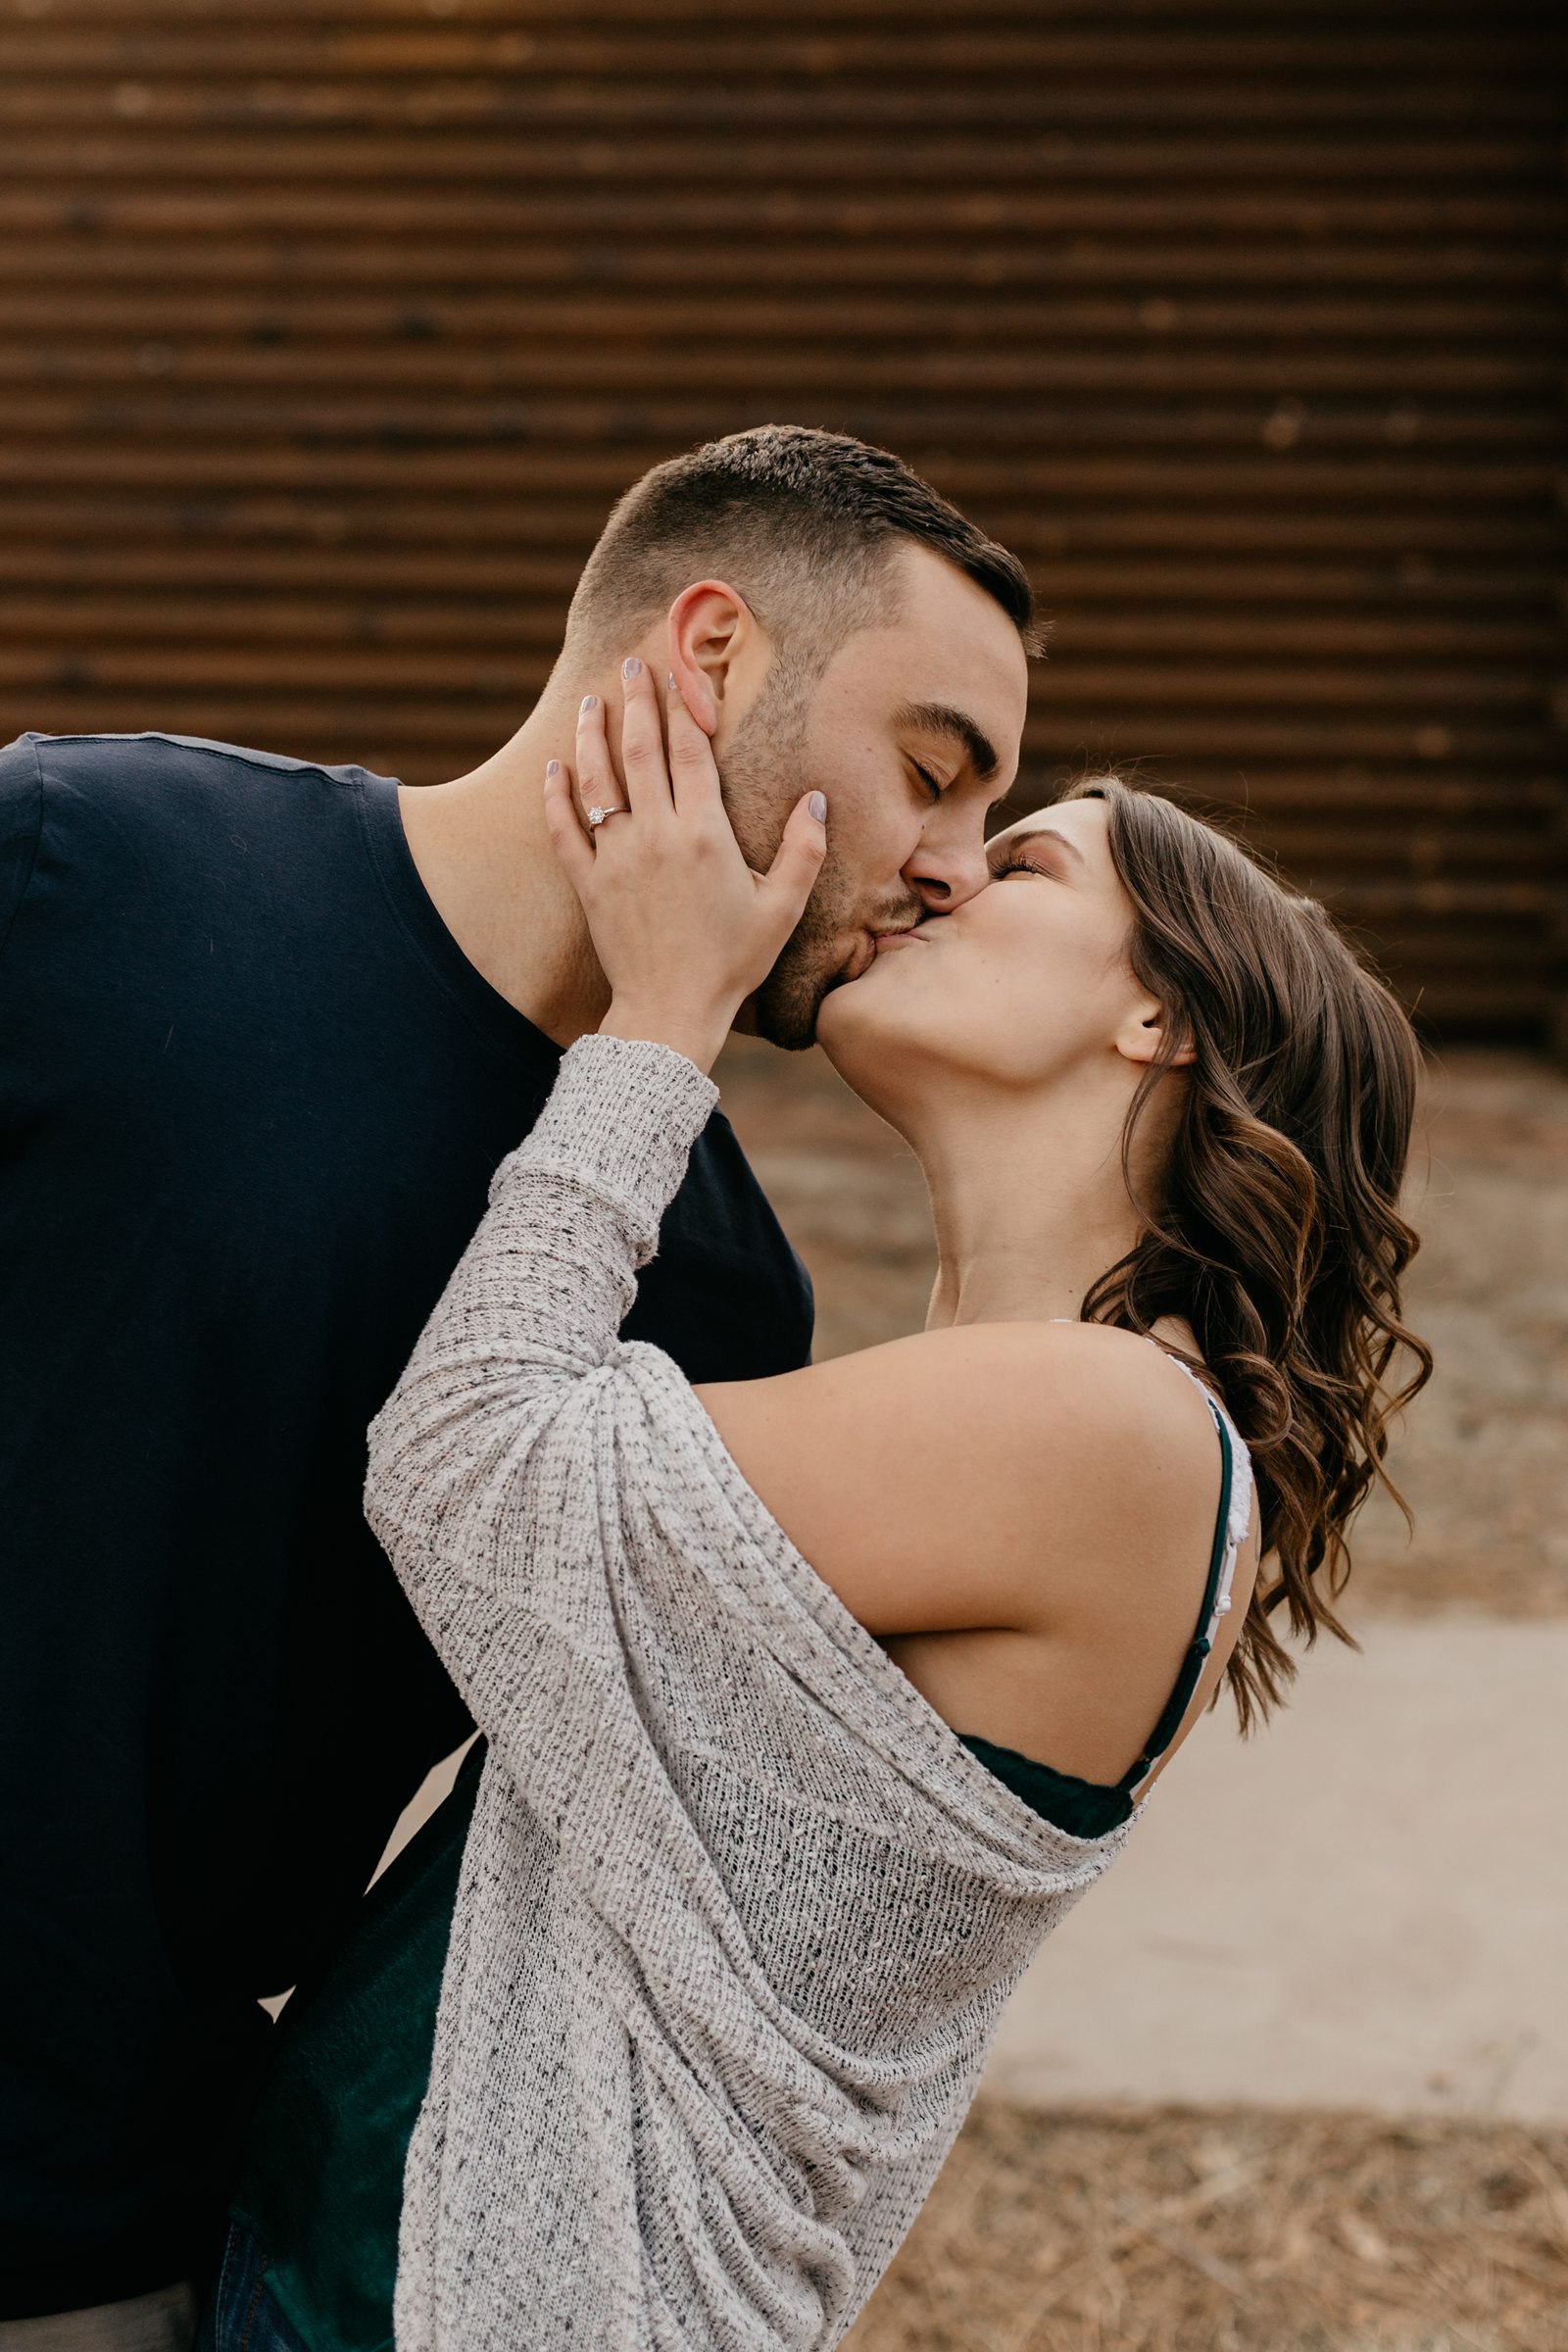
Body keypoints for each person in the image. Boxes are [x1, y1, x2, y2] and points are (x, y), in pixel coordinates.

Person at [200, 668, 1430, 2352]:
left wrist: (662, 1015)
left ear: (1163, 1018)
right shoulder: (1040, 1400)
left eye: (1029, 867)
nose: (942, 873)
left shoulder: (1112, 1423)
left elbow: (467, 1464)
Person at [0, 425, 1042, 2350]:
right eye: (934, 774)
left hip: (99, 2244)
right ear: (708, 651)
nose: (953, 872)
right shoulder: (85, 863)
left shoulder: (713, 1285)